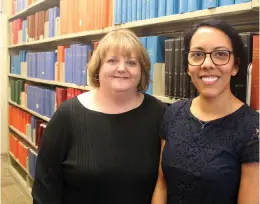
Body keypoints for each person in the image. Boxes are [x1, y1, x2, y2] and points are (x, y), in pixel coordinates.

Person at [32, 29, 166, 204]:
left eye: (132, 62)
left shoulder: (159, 114)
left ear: (142, 70)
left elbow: (165, 182)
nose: (121, 68)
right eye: (112, 60)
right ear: (98, 67)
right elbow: (45, 187)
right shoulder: (67, 116)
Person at [152, 20, 259, 204]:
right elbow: (162, 185)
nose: (207, 64)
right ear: (187, 66)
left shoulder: (252, 128)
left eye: (220, 54)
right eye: (197, 54)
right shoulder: (173, 113)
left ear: (235, 66)